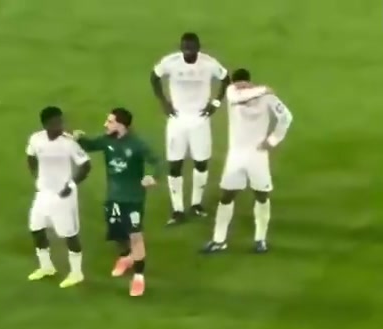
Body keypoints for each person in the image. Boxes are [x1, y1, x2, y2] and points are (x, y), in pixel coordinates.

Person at [201, 68, 293, 254]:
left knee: (261, 196)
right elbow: (236, 97)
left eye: (242, 85)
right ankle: (219, 240)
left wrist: (273, 140)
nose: (240, 88)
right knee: (226, 196)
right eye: (237, 85)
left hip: (258, 155)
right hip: (236, 156)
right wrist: (263, 89)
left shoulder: (267, 99)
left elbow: (286, 117)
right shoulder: (232, 93)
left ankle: (260, 239)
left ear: (248, 82)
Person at [73, 108, 161, 297]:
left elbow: (158, 162)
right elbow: (90, 145)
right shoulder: (107, 141)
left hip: (133, 198)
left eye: (110, 121)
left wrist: (153, 177)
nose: (106, 124)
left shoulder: (137, 144)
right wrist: (79, 138)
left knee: (135, 236)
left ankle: (138, 278)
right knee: (118, 234)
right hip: (113, 197)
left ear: (122, 125)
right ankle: (126, 257)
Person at [150, 32, 230, 225]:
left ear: (198, 48)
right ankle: (177, 209)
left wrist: (216, 103)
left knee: (201, 163)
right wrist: (163, 102)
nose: (187, 51)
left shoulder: (208, 63)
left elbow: (226, 79)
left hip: (200, 120)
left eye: (191, 48)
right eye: (185, 47)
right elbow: (154, 77)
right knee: (175, 164)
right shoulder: (171, 62)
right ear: (181, 47)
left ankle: (196, 204)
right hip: (177, 120)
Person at [26, 106, 91, 288]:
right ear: (46, 124)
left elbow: (85, 165)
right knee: (36, 228)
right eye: (56, 122)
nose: (60, 125)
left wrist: (71, 185)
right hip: (43, 193)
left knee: (69, 234)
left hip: (63, 195)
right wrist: (36, 175)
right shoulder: (36, 139)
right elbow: (30, 156)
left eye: (61, 121)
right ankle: (46, 267)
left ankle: (76, 273)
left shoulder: (68, 143)